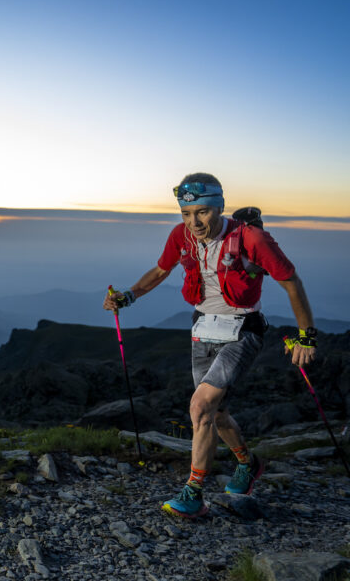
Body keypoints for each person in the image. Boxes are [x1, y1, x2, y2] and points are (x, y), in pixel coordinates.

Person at [102, 173, 317, 519]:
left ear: (219, 207)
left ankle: (193, 493)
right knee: (216, 413)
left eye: (201, 212)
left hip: (243, 331)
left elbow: (291, 281)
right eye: (186, 214)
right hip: (202, 329)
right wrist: (127, 297)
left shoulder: (251, 238)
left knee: (200, 407)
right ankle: (248, 464)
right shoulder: (181, 236)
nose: (194, 222)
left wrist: (306, 336)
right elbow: (160, 271)